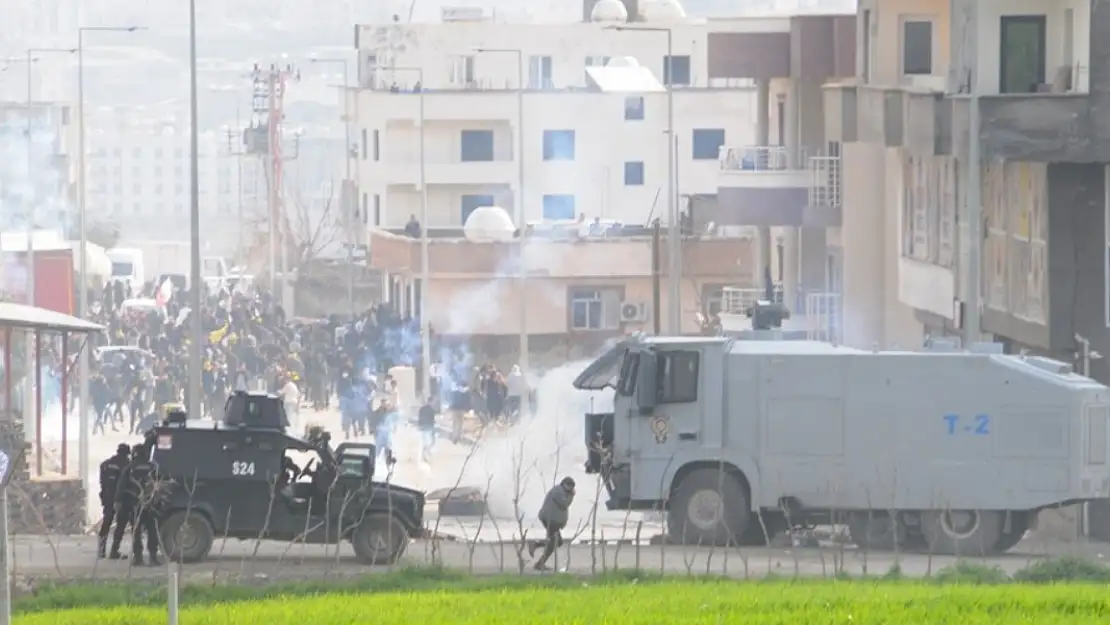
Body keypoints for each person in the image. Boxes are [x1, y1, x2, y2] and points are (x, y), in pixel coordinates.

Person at [115, 443, 162, 565]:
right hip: (150, 505)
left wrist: (118, 502)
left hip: (134, 505)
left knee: (136, 532)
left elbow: (121, 487)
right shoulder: (153, 467)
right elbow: (160, 485)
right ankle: (153, 557)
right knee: (152, 531)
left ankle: (138, 558)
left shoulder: (130, 468)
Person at [529, 477, 576, 571]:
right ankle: (539, 562)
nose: (570, 489)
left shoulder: (562, 491)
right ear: (564, 484)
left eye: (571, 487)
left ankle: (536, 546)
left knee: (558, 542)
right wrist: (572, 496)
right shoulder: (558, 492)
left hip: (552, 520)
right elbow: (564, 504)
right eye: (569, 486)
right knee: (555, 541)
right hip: (549, 519)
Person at [97, 443, 131, 559]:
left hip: (107, 497)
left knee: (106, 522)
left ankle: (101, 551)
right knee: (121, 524)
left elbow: (102, 482)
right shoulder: (127, 465)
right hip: (121, 499)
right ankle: (114, 551)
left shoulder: (105, 465)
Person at [417, 396, 437, 463]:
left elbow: (419, 418)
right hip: (429, 427)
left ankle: (424, 454)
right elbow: (432, 420)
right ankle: (426, 453)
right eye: (434, 401)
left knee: (425, 442)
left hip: (423, 427)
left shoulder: (422, 408)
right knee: (431, 442)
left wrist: (419, 426)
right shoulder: (431, 410)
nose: (434, 403)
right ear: (431, 401)